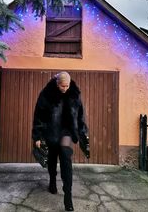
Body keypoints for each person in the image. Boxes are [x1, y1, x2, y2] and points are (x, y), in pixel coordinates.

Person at [32, 71, 89, 211]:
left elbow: (80, 116)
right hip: (51, 131)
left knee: (65, 158)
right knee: (52, 159)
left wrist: (83, 134)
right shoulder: (46, 94)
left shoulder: (74, 94)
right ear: (57, 84)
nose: (65, 89)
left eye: (67, 86)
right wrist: (37, 136)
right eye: (62, 86)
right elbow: (39, 115)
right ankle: (52, 180)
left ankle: (68, 197)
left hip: (67, 133)